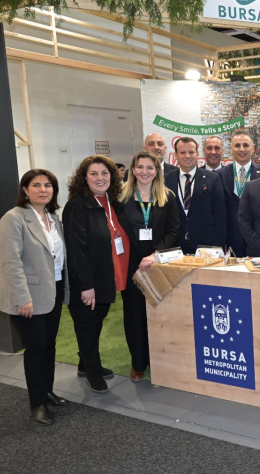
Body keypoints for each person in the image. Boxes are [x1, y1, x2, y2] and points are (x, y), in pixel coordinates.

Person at [0, 169, 69, 425]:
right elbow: (11, 262)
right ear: (25, 190)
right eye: (36, 185)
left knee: (49, 344)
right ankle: (37, 403)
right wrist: (22, 298)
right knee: (36, 347)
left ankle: (47, 391)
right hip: (28, 296)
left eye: (47, 185)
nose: (43, 190)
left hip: (53, 289)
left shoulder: (52, 217)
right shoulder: (13, 218)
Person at [63, 156, 129, 394]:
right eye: (93, 173)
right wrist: (86, 285)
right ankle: (93, 373)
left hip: (106, 278)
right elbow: (76, 249)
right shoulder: (77, 205)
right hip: (87, 281)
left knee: (96, 323)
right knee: (87, 326)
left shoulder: (110, 203)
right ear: (84, 178)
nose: (100, 178)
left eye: (104, 173)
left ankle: (85, 363)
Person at [117, 151, 180, 382]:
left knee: (158, 313)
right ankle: (138, 363)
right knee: (134, 314)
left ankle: (158, 361)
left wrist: (155, 254)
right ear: (133, 169)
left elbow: (174, 230)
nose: (145, 172)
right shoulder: (121, 197)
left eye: (150, 168)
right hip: (130, 264)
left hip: (157, 263)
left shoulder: (167, 196)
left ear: (157, 171)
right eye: (140, 167)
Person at [165, 137, 226, 254]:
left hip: (206, 245)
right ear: (176, 155)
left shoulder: (212, 178)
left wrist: (217, 247)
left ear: (198, 154)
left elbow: (220, 216)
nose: (187, 156)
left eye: (191, 152)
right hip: (175, 245)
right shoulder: (167, 179)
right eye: (182, 152)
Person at [217, 130, 260, 256]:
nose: (241, 149)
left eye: (245, 145)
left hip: (258, 240)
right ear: (231, 149)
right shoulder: (219, 175)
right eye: (237, 145)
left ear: (253, 148)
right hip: (230, 240)